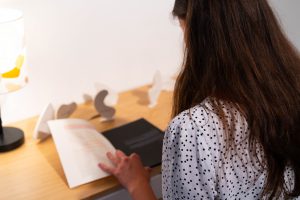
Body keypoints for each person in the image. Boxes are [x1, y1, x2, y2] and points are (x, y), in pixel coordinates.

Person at [98, 0, 300, 199]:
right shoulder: (292, 88)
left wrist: (136, 184)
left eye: (183, 29)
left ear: (199, 36)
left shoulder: (193, 130)